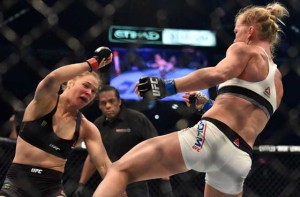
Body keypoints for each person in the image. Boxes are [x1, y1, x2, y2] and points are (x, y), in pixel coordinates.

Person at [93, 2, 289, 197]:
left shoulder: (245, 50)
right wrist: (208, 106)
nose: (235, 36)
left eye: (237, 30)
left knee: (120, 170)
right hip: (240, 157)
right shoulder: (278, 82)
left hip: (209, 138)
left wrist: (167, 86)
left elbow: (218, 73)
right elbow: (246, 116)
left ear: (250, 31)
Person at [0, 46, 113, 197]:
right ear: (71, 82)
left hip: (51, 188)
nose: (89, 93)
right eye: (86, 86)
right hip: (17, 182)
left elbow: (104, 164)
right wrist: (92, 64)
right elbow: (52, 78)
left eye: (93, 91)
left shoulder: (86, 128)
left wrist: (121, 191)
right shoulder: (44, 103)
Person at [73, 85, 173, 197]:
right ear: (99, 106)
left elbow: (157, 148)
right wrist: (82, 183)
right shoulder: (98, 125)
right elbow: (93, 157)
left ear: (119, 101)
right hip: (109, 181)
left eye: (111, 101)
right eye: (103, 103)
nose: (108, 106)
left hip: (135, 181)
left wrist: (165, 181)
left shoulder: (137, 119)